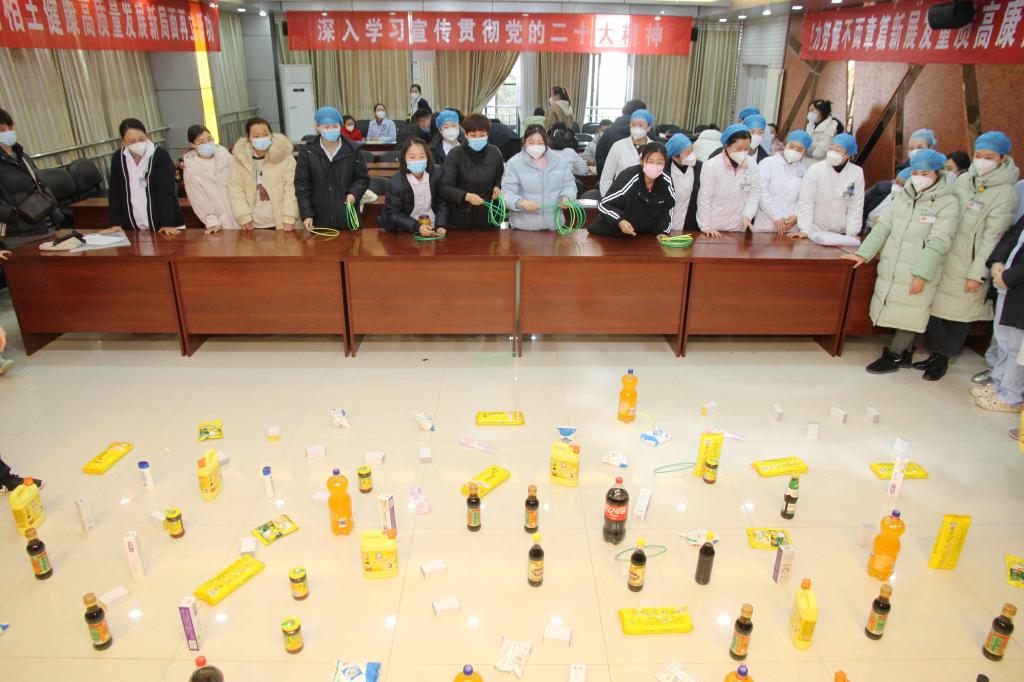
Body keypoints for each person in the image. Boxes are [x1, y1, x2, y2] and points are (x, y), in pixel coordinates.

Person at [842, 149, 958, 374]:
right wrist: (863, 253)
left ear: (937, 173)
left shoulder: (947, 202)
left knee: (910, 312)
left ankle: (893, 356)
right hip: (895, 263)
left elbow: (938, 242)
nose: (919, 177)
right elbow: (884, 225)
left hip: (919, 267)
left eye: (925, 173)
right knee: (898, 309)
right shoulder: (905, 194)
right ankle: (905, 353)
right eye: (915, 172)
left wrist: (922, 274)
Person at [919, 131, 1020, 381]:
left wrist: (977, 273)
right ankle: (936, 352)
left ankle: (943, 358)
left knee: (961, 313)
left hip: (970, 262)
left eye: (989, 157)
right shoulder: (964, 179)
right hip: (946, 254)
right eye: (979, 155)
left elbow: (993, 237)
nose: (982, 160)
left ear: (1002, 158)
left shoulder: (1006, 193)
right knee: (934, 307)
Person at [974, 214, 1024, 411]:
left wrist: (1008, 277)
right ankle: (998, 383)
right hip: (1006, 286)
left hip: (1016, 285)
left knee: (1017, 347)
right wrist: (996, 263)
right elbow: (1011, 237)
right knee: (1003, 340)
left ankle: (1011, 396)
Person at [295, 106, 369, 231]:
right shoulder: (307, 151)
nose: (331, 130)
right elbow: (302, 186)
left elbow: (362, 178)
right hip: (319, 217)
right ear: (317, 127)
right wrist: (307, 213)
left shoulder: (353, 149)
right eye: (326, 127)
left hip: (347, 217)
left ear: (340, 126)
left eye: (335, 126)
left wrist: (354, 193)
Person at [107, 118, 183, 236]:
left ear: (147, 135)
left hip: (163, 224)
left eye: (141, 139)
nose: (138, 143)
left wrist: (168, 222)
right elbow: (114, 192)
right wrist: (115, 222)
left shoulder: (160, 155)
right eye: (132, 141)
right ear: (123, 141)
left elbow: (166, 191)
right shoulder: (119, 158)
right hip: (133, 226)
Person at [0, 108, 62, 247]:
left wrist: (55, 212)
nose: (8, 132)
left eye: (10, 128)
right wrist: (14, 215)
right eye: (2, 130)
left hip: (46, 226)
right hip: (19, 234)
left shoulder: (23, 156)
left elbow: (41, 187)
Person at [501, 124, 577, 231]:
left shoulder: (559, 161)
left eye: (540, 143)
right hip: (523, 228)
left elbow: (569, 184)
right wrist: (520, 202)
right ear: (524, 142)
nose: (535, 146)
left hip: (554, 227)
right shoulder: (514, 164)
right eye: (531, 143)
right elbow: (506, 192)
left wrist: (566, 197)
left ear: (546, 142)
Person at [591, 142, 675, 237]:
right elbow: (604, 204)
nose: (655, 166)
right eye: (650, 161)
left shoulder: (666, 180)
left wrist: (662, 231)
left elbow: (669, 207)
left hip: (643, 236)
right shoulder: (630, 177)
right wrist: (619, 220)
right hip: (612, 235)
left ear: (665, 163)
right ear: (642, 161)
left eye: (659, 163)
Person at [228, 117, 298, 231]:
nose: (262, 138)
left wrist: (289, 217)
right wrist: (243, 217)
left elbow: (291, 188)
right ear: (248, 138)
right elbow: (236, 190)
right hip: (253, 224)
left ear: (271, 134)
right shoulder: (240, 159)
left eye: (265, 134)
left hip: (282, 222)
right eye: (256, 136)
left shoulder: (285, 157)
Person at [438, 113, 504, 230]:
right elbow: (444, 188)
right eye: (473, 135)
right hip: (460, 220)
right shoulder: (455, 154)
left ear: (488, 134)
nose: (478, 139)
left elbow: (501, 178)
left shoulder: (495, 153)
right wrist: (466, 196)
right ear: (466, 134)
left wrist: (498, 188)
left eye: (482, 135)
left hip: (488, 218)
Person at [696, 124, 761, 236]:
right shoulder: (711, 165)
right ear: (726, 145)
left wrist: (748, 215)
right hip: (714, 227)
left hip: (739, 226)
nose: (743, 152)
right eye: (738, 149)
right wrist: (705, 226)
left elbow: (754, 193)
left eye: (746, 149)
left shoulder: (752, 164)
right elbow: (704, 198)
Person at [796, 133, 865, 238]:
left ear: (847, 155)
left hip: (840, 232)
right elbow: (806, 201)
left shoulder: (856, 172)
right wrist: (804, 229)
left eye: (838, 150)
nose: (833, 152)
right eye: (831, 148)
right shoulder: (815, 170)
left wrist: (852, 233)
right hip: (814, 230)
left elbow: (856, 206)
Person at [382, 137, 448, 236]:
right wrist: (417, 227)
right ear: (404, 158)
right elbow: (393, 214)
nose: (417, 160)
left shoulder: (437, 173)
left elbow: (442, 202)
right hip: (405, 228)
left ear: (428, 157)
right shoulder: (396, 181)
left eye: (422, 156)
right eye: (412, 157)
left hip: (433, 225)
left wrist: (441, 224)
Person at [182, 125, 238, 233]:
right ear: (192, 145)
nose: (207, 144)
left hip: (241, 215)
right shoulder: (191, 169)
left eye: (209, 139)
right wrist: (212, 221)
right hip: (220, 221)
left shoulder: (225, 156)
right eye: (201, 142)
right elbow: (197, 198)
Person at [754, 130, 812, 234]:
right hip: (766, 225)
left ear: (805, 152)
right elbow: (762, 193)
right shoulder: (767, 163)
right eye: (791, 146)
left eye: (800, 149)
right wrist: (776, 216)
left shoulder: (804, 170)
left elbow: (804, 198)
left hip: (790, 227)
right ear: (785, 145)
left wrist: (796, 216)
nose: (794, 151)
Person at [600, 109, 654, 195]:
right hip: (620, 196)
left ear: (649, 128)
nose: (637, 127)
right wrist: (608, 198)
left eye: (641, 125)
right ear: (629, 125)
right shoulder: (618, 146)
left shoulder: (654, 148)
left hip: (646, 197)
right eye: (634, 124)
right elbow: (606, 176)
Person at [595, 99, 647, 177]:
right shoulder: (645, 131)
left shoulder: (609, 131)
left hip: (611, 178)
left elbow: (600, 157)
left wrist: (604, 179)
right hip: (641, 179)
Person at [665, 133, 700, 233]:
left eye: (692, 151)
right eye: (687, 153)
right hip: (668, 224)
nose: (691, 155)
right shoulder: (665, 171)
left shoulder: (699, 168)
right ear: (675, 157)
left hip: (690, 226)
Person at [863, 168, 911, 236]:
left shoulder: (909, 202)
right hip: (866, 228)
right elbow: (862, 204)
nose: (897, 186)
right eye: (896, 182)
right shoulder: (882, 188)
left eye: (902, 185)